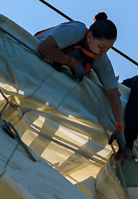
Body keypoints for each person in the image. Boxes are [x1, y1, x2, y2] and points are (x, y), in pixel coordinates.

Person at [36, 13, 125, 149]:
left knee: (52, 124)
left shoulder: (100, 60)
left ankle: (36, 151)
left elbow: (113, 95)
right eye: (102, 46)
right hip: (34, 67)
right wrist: (71, 62)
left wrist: (119, 129)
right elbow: (44, 48)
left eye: (108, 48)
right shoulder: (76, 30)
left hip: (54, 89)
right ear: (89, 36)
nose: (103, 52)